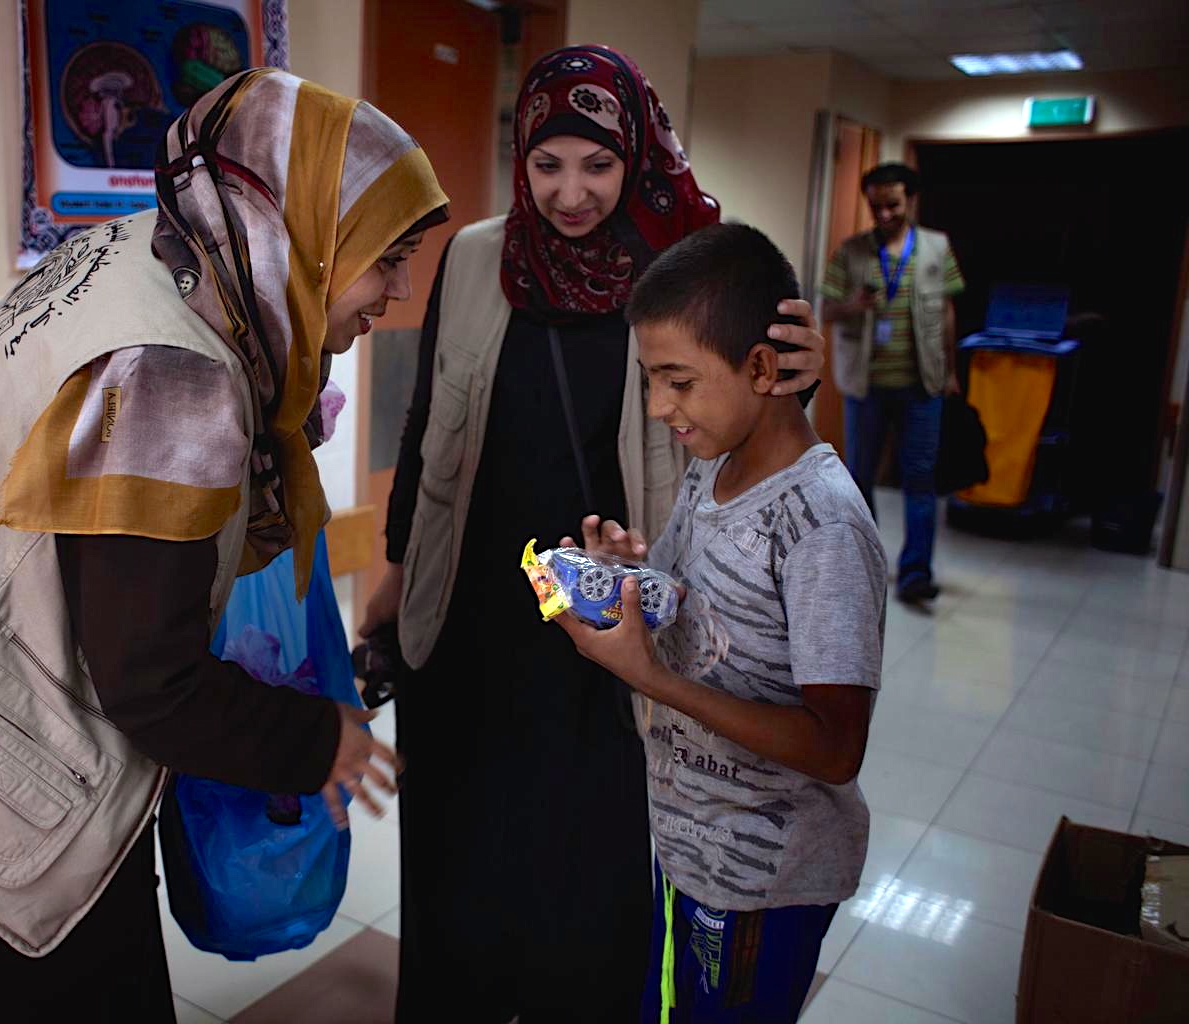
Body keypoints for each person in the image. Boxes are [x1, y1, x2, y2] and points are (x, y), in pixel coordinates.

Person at [0, 69, 447, 1022]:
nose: (398, 293)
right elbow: (151, 680)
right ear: (304, 230)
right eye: (384, 257)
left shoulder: (128, 259)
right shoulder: (173, 371)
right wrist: (320, 741)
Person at [360, 45, 827, 1022]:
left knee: (592, 868)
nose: (571, 192)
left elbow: (759, 435)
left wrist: (805, 380)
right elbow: (423, 427)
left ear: (637, 155)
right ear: (520, 159)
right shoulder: (479, 255)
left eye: (597, 165)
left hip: (614, 621)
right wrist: (397, 572)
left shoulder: (695, 268)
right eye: (547, 164)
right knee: (461, 858)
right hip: (475, 612)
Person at [558, 223, 887, 1024]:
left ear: (764, 369)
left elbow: (835, 748)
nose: (658, 407)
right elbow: (682, 593)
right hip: (690, 845)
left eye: (677, 381)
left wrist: (650, 678)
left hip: (760, 882)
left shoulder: (821, 529)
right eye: (649, 380)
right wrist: (624, 578)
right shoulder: (714, 468)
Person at [821, 162, 965, 604]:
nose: (883, 213)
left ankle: (916, 573)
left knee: (919, 478)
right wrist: (853, 304)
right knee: (859, 478)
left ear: (911, 200)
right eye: (876, 205)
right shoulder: (851, 252)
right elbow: (825, 311)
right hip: (866, 387)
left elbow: (946, 313)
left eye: (893, 205)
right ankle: (864, 566)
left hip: (922, 386)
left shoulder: (937, 248)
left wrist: (952, 372)